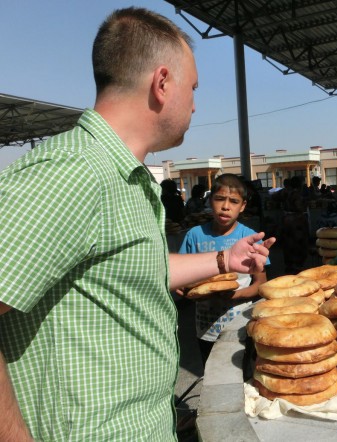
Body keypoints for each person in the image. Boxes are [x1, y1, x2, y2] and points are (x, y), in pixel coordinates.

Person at [0, 8, 274, 441]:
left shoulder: (121, 176)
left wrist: (225, 258)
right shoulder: (72, 171)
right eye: (194, 88)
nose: (196, 103)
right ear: (162, 83)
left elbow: (139, 269)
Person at [179, 174, 268, 365]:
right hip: (205, 327)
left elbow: (261, 284)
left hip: (240, 325)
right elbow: (180, 281)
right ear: (210, 201)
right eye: (220, 199)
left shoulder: (249, 237)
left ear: (242, 206)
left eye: (233, 201)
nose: (226, 206)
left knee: (240, 374)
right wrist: (189, 292)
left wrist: (236, 295)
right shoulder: (194, 236)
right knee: (211, 373)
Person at [281, 175, 309, 273]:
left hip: (286, 220)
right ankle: (297, 265)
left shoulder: (286, 193)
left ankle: (290, 265)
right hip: (297, 221)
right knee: (298, 244)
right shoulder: (297, 195)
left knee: (288, 243)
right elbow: (299, 207)